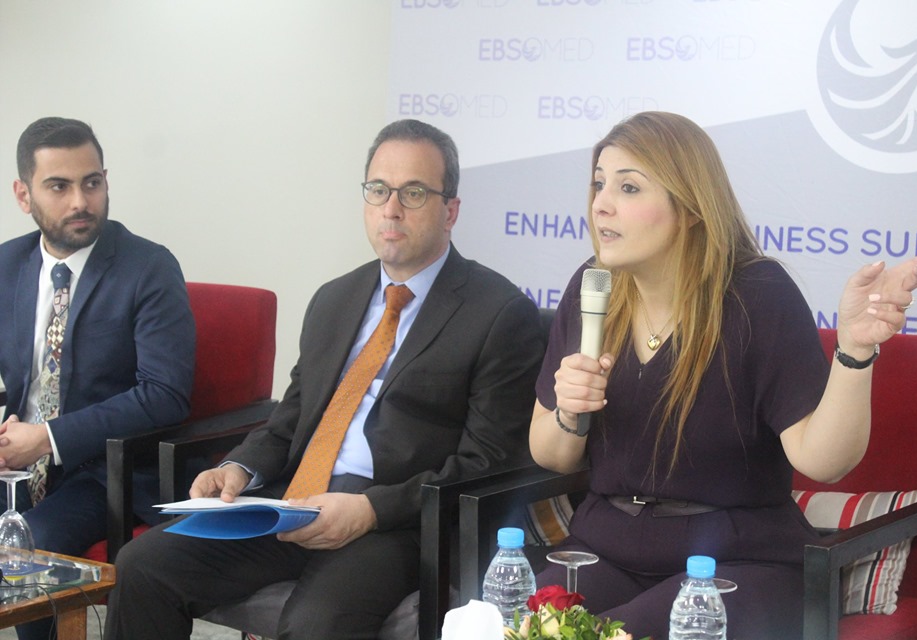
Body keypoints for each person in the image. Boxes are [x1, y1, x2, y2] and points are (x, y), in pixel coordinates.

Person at [105, 119, 544, 640]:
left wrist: (369, 510)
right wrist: (239, 468)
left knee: (316, 624)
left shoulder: (498, 314)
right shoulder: (334, 298)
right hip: (292, 501)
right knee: (142, 566)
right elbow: (291, 417)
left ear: (450, 211)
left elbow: (485, 462)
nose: (391, 208)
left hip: (397, 521)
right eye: (378, 190)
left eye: (413, 193)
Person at [528, 111, 917, 639]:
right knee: (517, 628)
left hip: (739, 562)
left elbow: (824, 461)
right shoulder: (592, 288)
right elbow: (551, 454)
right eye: (599, 184)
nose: (601, 204)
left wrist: (855, 350)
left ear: (690, 207)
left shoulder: (757, 294)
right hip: (605, 549)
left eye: (628, 187)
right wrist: (568, 410)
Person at [0, 117, 195, 640]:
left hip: (106, 470)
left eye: (91, 183)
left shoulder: (148, 267)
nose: (80, 202)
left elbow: (165, 395)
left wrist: (46, 439)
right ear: (23, 194)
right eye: (58, 186)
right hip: (17, 462)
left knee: (32, 544)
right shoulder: (7, 264)